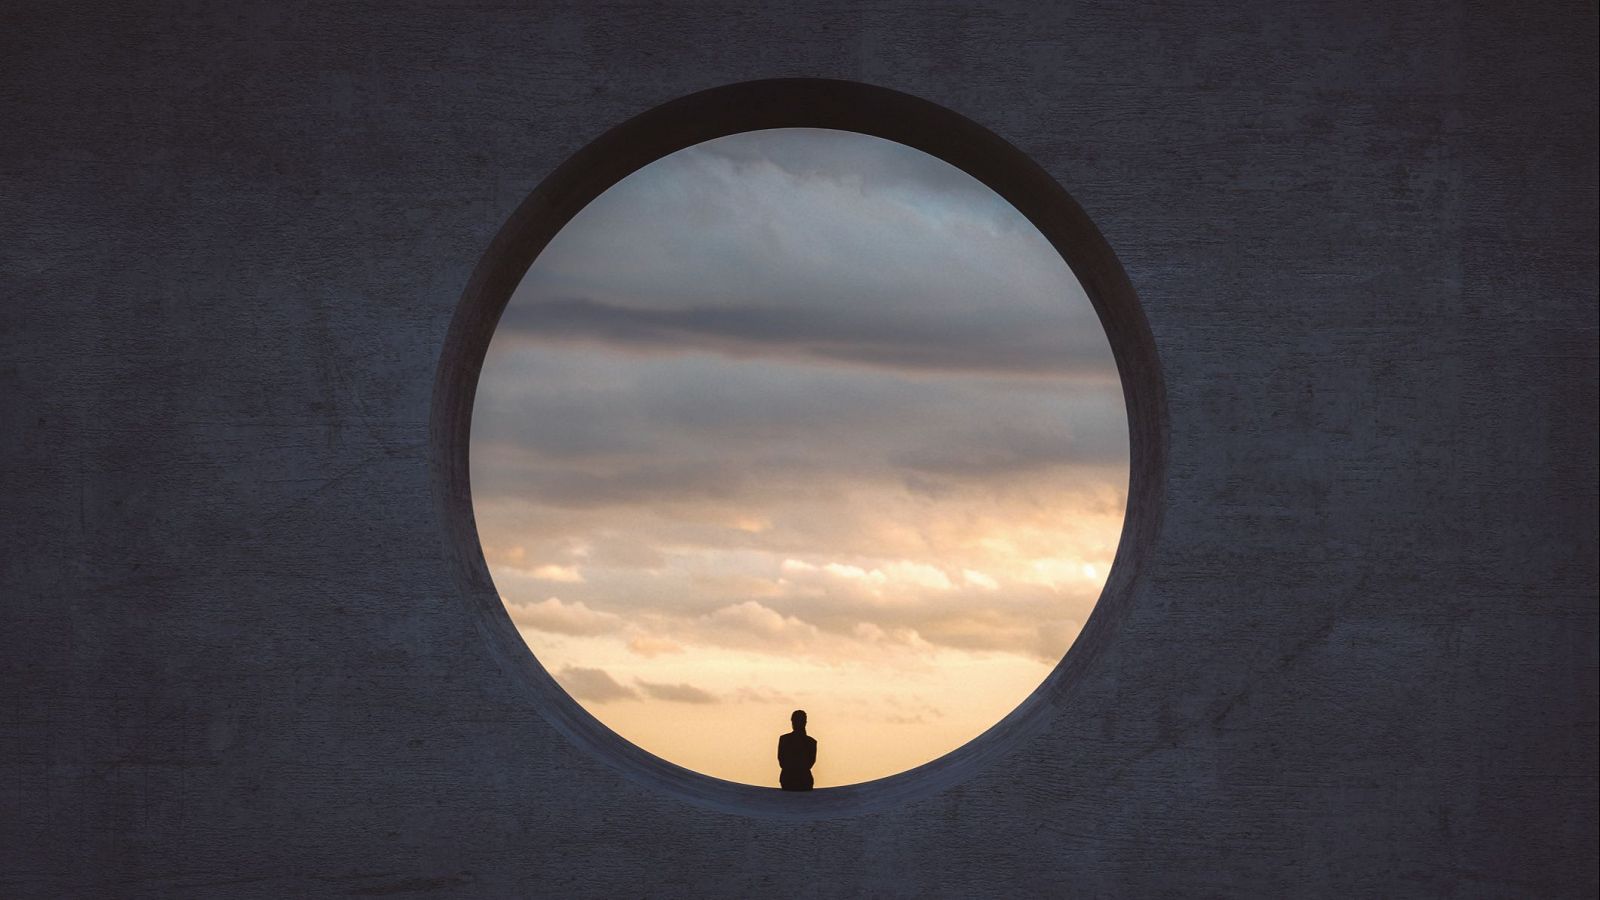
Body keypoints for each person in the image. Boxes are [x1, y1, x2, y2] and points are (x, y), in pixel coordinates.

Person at [777, 709, 817, 791]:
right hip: (791, 780)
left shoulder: (810, 742)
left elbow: (810, 763)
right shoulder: (811, 742)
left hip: (800, 780)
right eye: (795, 721)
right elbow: (782, 761)